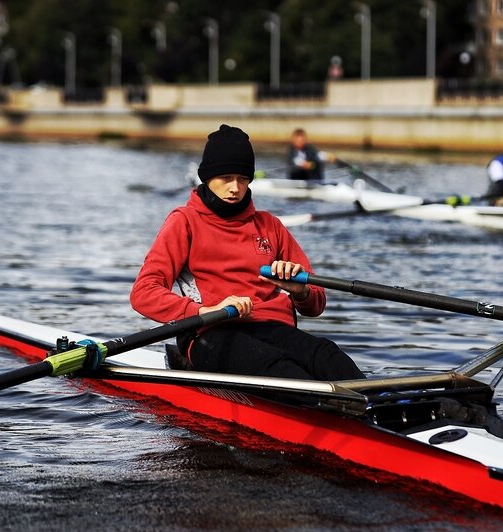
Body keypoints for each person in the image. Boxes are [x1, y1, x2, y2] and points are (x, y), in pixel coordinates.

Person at [131, 124, 365, 382]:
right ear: (207, 178)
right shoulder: (184, 222)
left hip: (272, 327)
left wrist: (300, 291)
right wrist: (203, 310)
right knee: (281, 369)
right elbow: (144, 292)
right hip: (210, 331)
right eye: (226, 178)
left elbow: (316, 304)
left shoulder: (270, 225)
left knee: (328, 355)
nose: (235, 188)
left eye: (243, 179)